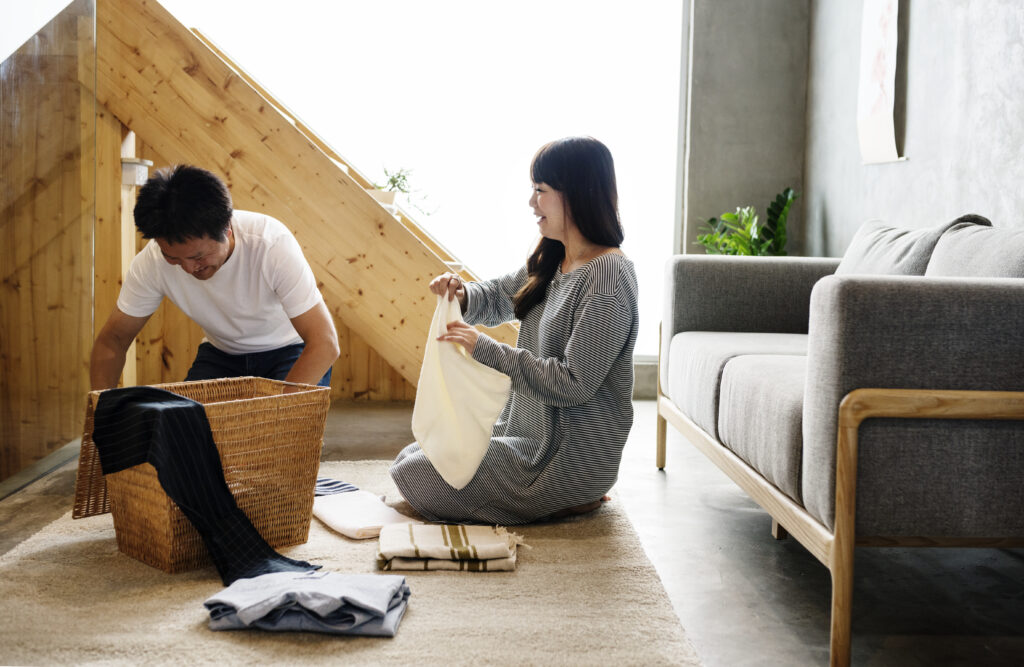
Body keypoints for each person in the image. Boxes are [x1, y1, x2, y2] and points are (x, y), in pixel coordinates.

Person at [389, 136, 639, 524]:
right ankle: (552, 499)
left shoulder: (608, 277)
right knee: (415, 455)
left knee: (417, 474)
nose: (531, 203)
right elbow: (500, 295)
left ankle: (574, 494)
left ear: (576, 193)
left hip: (568, 456)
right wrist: (462, 294)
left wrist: (485, 349)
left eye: (540, 190)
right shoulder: (556, 258)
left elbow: (573, 384)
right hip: (526, 432)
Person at [90, 164, 339, 391]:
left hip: (291, 349)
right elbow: (113, 340)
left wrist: (279, 412)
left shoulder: (271, 244)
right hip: (222, 354)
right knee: (180, 420)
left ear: (227, 229)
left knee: (283, 426)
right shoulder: (152, 261)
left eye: (198, 257)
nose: (188, 269)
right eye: (173, 258)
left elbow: (324, 343)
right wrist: (100, 412)